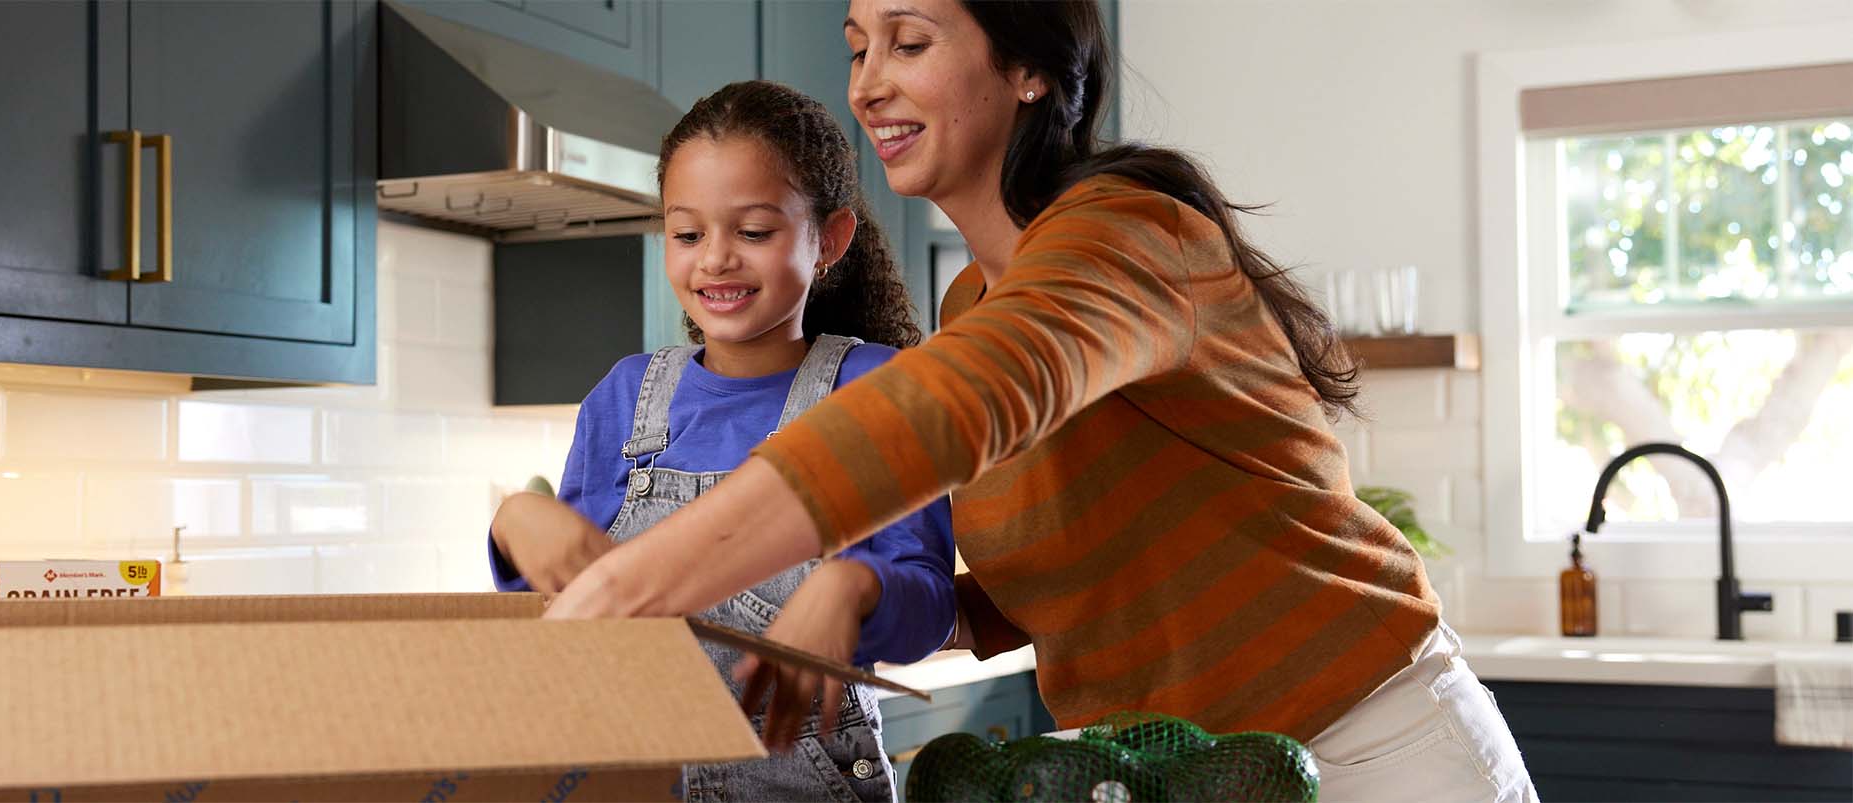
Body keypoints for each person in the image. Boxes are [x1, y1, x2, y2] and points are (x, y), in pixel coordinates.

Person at [510, 1, 1538, 800]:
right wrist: (861, 594)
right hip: (1172, 771)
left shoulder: (1125, 235)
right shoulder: (973, 300)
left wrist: (637, 578)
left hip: (1367, 747)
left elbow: (950, 406)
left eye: (907, 41)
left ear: (1029, 67)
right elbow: (1058, 565)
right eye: (857, 45)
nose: (867, 83)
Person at [485, 80, 955, 802]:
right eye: (687, 233)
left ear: (828, 239)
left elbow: (927, 606)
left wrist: (855, 584)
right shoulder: (623, 395)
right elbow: (572, 613)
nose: (715, 260)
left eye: (754, 232)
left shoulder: (875, 388)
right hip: (630, 778)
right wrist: (515, 524)